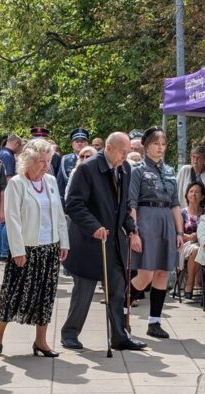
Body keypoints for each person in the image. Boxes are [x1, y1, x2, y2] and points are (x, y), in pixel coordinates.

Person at [61, 132, 147, 351]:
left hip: (114, 242)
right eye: (122, 152)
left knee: (117, 290)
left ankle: (119, 336)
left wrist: (131, 228)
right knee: (84, 291)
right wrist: (94, 226)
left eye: (128, 152)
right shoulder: (87, 169)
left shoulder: (124, 168)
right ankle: (70, 333)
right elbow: (73, 204)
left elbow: (123, 205)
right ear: (109, 148)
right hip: (89, 242)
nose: (125, 157)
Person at [0, 139, 68, 357]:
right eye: (41, 161)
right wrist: (17, 250)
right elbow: (12, 219)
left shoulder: (50, 181)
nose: (46, 166)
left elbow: (58, 214)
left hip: (50, 246)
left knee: (46, 294)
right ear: (28, 161)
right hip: (26, 247)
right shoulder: (17, 183)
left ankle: (41, 341)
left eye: (48, 161)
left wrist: (64, 241)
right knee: (16, 292)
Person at [129, 127, 183, 339]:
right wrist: (134, 231)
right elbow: (131, 204)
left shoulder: (169, 171)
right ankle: (120, 311)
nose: (160, 148)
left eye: (163, 144)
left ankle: (155, 322)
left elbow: (175, 203)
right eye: (155, 144)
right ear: (146, 145)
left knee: (162, 272)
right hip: (146, 220)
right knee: (145, 275)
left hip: (166, 221)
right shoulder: (138, 170)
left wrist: (179, 232)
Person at [0, 135, 22, 260]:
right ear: (15, 143)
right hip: (6, 190)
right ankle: (3, 252)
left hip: (1, 190)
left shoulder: (2, 153)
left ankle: (2, 251)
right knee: (6, 221)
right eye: (19, 145)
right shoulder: (8, 155)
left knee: (3, 222)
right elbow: (8, 177)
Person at [179, 181, 205, 300]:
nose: (193, 194)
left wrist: (200, 236)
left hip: (204, 244)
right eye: (191, 191)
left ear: (202, 197)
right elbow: (177, 233)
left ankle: (198, 283)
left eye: (197, 192)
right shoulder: (182, 213)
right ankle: (190, 283)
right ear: (187, 195)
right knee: (196, 250)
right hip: (185, 244)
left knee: (201, 249)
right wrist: (189, 237)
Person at [57, 127, 89, 205]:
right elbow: (60, 185)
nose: (79, 143)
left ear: (87, 144)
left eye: (82, 141)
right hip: (70, 203)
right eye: (77, 141)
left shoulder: (93, 159)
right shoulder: (65, 160)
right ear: (72, 144)